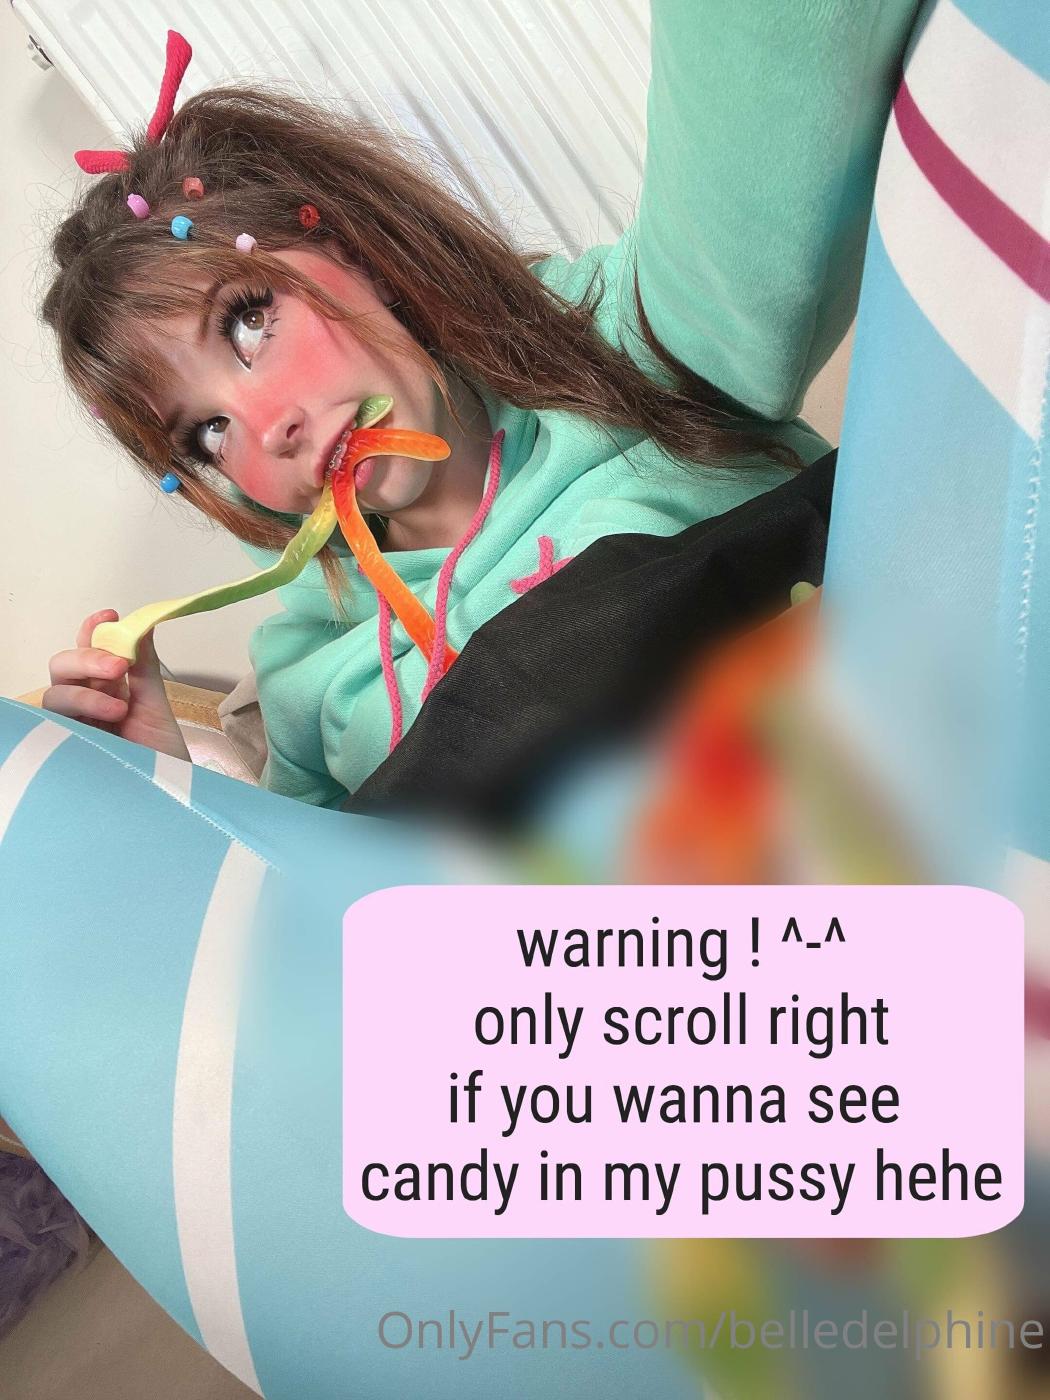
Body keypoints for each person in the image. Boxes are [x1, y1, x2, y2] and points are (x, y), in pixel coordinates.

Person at [40, 12, 833, 808]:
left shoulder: (637, 348)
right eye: (208, 431)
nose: (268, 428)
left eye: (248, 321)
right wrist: (168, 794)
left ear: (356, 251)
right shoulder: (302, 682)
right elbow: (294, 883)